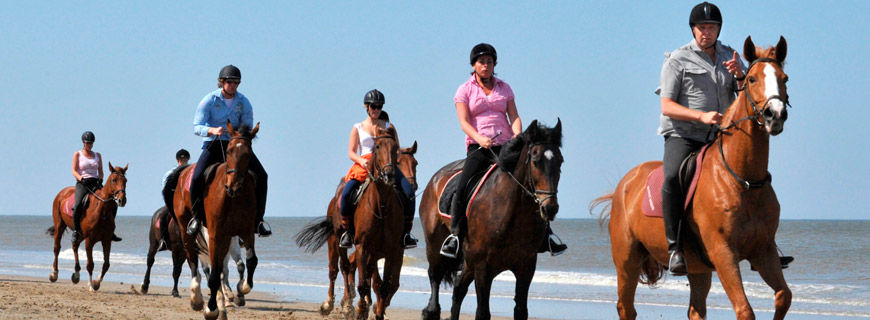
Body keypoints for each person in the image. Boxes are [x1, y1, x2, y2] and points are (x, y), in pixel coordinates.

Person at [439, 43, 567, 259]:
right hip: (479, 146)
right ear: (474, 65)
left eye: (489, 61)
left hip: (506, 145)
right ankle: (456, 236)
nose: (485, 65)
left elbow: (514, 116)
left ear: (494, 64)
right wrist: (479, 138)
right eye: (481, 62)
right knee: (464, 185)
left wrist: (517, 135)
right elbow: (463, 121)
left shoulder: (504, 88)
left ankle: (547, 234)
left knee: (532, 180)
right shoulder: (464, 90)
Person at [186, 65, 271, 237]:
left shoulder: (244, 102)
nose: (232, 85)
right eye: (229, 82)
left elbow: (246, 127)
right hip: (214, 143)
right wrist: (212, 131)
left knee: (262, 175)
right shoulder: (208, 100)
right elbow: (197, 126)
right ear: (222, 82)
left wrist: (239, 136)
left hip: (236, 145)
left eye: (236, 82)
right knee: (196, 177)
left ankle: (259, 220)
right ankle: (196, 217)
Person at [338, 89, 418, 249]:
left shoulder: (389, 126)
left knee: (409, 193)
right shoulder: (358, 127)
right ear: (366, 107)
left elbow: (397, 149)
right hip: (365, 164)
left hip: (387, 164)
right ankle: (347, 231)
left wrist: (393, 161)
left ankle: (406, 234)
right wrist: (361, 160)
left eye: (379, 106)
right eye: (373, 106)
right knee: (346, 193)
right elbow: (351, 152)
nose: (376, 109)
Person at [71, 131, 122, 243]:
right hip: (82, 183)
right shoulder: (78, 154)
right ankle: (75, 231)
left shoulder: (97, 155)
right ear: (83, 143)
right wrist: (81, 179)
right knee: (78, 204)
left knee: (112, 202)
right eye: (88, 143)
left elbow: (101, 171)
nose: (90, 145)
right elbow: (74, 171)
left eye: (92, 143)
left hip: (96, 183)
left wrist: (100, 179)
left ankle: (111, 230)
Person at [157, 149, 190, 251]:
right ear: (177, 160)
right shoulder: (170, 173)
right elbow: (164, 188)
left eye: (185, 159)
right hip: (174, 201)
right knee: (163, 215)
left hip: (188, 201)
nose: (183, 161)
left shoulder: (190, 172)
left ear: (188, 159)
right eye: (181, 159)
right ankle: (163, 240)